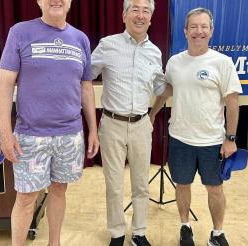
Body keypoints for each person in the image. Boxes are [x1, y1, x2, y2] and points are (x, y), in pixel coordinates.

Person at [0, 0, 99, 245]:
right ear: (39, 1)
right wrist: (5, 132)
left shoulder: (80, 39)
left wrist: (93, 129)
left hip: (69, 135)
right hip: (30, 136)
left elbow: (86, 88)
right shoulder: (20, 32)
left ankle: (55, 243)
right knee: (26, 197)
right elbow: (5, 84)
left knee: (59, 190)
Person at [150, 7, 243, 246]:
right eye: (193, 26)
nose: (198, 31)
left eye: (203, 27)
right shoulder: (174, 62)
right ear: (185, 30)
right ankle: (185, 226)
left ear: (211, 31)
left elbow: (232, 104)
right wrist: (151, 115)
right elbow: (168, 91)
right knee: (182, 185)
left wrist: (230, 138)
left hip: (212, 141)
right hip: (180, 138)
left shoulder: (222, 63)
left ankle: (217, 233)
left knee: (215, 188)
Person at [90, 0, 169, 245]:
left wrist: (178, 80)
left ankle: (139, 233)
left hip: (141, 125)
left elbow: (159, 87)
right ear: (124, 15)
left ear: (151, 19)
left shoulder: (155, 52)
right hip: (112, 124)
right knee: (113, 184)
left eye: (146, 11)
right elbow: (85, 75)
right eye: (135, 9)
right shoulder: (107, 45)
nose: (140, 15)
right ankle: (116, 233)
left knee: (141, 185)